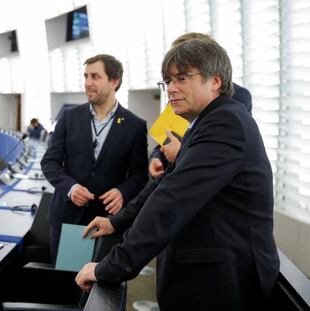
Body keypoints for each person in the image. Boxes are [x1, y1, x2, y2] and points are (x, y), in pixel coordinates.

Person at [75, 39, 280, 310]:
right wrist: (117, 222)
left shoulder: (225, 123)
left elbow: (172, 200)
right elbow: (166, 184)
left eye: (182, 78)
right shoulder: (204, 122)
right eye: (168, 81)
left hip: (222, 283)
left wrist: (111, 266)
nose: (171, 89)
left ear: (215, 81)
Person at [41, 54, 149, 262]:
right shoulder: (69, 117)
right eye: (86, 76)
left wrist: (122, 191)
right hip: (69, 217)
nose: (88, 83)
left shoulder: (134, 125)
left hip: (106, 221)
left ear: (114, 81)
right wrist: (71, 188)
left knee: (99, 288)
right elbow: (50, 162)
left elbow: (139, 176)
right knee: (67, 281)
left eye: (95, 77)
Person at [150, 32, 253, 178]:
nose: (173, 86)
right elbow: (166, 136)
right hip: (172, 175)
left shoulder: (237, 98)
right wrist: (156, 158)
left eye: (182, 76)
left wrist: (181, 154)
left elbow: (225, 150)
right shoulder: (178, 95)